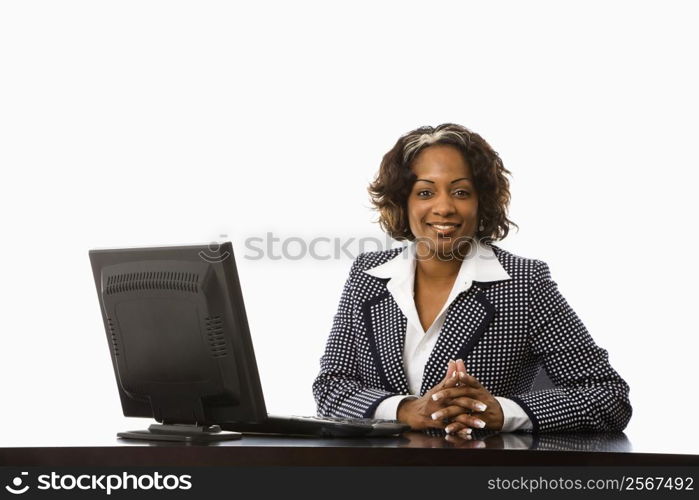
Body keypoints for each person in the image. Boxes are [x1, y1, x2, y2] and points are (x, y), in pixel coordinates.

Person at [312, 123, 632, 437]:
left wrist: (501, 413)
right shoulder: (368, 276)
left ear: (481, 202)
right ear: (402, 202)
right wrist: (405, 410)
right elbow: (330, 389)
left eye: (461, 192)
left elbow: (609, 396)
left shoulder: (524, 283)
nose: (444, 208)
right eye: (425, 192)